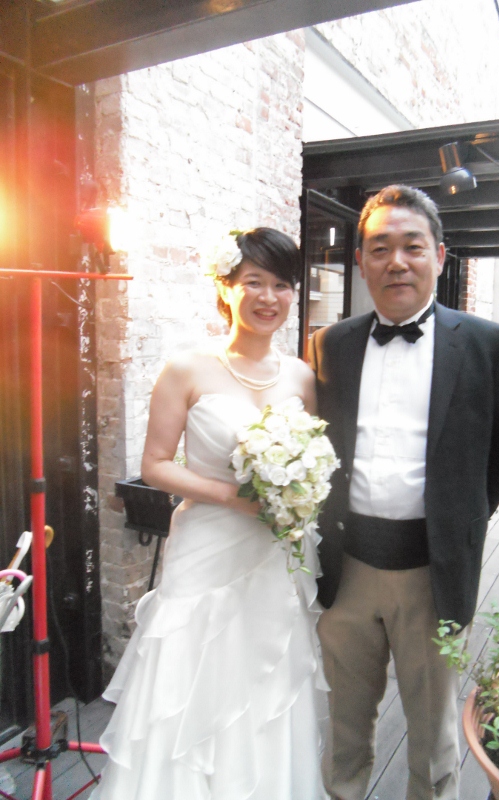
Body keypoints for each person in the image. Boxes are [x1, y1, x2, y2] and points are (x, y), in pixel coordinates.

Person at [309, 185, 499, 800]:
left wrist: (460, 516)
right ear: (361, 261)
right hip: (348, 570)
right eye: (380, 248)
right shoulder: (330, 344)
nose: (397, 262)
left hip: (432, 573)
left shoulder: (489, 343)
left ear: (438, 255)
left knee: (433, 734)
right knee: (344, 722)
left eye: (412, 246)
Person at [92, 228, 329, 800]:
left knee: (266, 673)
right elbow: (154, 466)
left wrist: (299, 493)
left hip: (273, 552)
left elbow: (315, 459)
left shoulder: (301, 376)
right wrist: (232, 497)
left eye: (281, 285)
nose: (268, 297)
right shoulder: (186, 369)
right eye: (253, 282)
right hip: (207, 546)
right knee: (192, 671)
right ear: (226, 288)